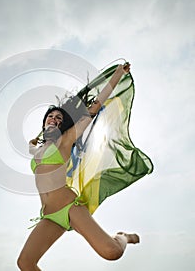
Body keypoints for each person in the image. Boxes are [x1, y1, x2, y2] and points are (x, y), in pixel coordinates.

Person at [17, 63, 140, 271]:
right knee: (25, 263)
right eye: (50, 116)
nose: (54, 119)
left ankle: (123, 237)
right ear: (44, 123)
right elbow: (35, 153)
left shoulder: (66, 140)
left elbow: (95, 106)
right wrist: (31, 145)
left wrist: (118, 75)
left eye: (58, 117)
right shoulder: (37, 149)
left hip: (69, 208)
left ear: (62, 124)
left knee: (112, 253)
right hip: (48, 216)